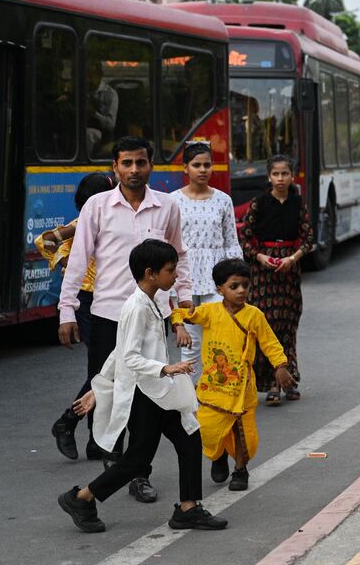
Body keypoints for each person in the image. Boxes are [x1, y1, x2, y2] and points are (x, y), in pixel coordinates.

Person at [55, 137, 194, 504]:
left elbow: (178, 255)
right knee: (113, 392)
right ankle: (114, 463)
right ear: (114, 167)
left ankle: (137, 473)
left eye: (141, 163)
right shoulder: (97, 207)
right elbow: (79, 259)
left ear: (151, 166)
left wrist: (183, 299)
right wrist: (67, 310)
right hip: (107, 315)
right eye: (127, 163)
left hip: (153, 317)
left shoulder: (166, 207)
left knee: (147, 395)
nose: (134, 170)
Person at [56, 239, 228, 534]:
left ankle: (188, 508)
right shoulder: (136, 307)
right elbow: (129, 356)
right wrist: (165, 367)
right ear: (150, 273)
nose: (175, 276)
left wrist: (99, 386)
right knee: (138, 459)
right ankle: (81, 497)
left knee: (189, 438)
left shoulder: (152, 301)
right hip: (145, 393)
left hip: (157, 391)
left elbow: (118, 350)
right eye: (170, 270)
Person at [172, 258, 294, 491]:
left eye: (245, 286)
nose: (241, 291)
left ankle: (240, 469)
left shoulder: (254, 315)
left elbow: (270, 343)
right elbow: (179, 313)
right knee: (207, 431)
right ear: (219, 289)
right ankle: (217, 455)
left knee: (243, 434)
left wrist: (280, 366)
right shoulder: (208, 312)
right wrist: (179, 327)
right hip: (213, 389)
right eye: (234, 286)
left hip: (242, 389)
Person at [45, 172, 118, 461]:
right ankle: (69, 422)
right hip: (87, 302)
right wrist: (65, 263)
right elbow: (46, 241)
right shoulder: (83, 222)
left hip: (110, 298)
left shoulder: (111, 219)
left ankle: (92, 438)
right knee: (104, 371)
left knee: (104, 370)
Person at [240, 154, 314, 405]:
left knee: (288, 328)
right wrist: (260, 257)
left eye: (285, 174)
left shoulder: (298, 203)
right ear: (269, 176)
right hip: (263, 274)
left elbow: (308, 239)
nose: (280, 178)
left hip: (289, 274)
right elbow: (245, 238)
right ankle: (273, 381)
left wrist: (292, 259)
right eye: (276, 174)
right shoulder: (259, 203)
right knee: (266, 328)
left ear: (292, 176)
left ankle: (289, 379)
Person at [171, 142, 242, 381]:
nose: (202, 170)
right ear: (185, 168)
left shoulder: (223, 200)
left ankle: (218, 392)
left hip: (217, 276)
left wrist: (236, 278)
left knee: (219, 337)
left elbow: (231, 241)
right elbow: (169, 243)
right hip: (185, 277)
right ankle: (188, 401)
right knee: (189, 343)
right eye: (196, 165)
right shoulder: (173, 201)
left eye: (207, 165)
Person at [85, 62, 119, 158]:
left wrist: (94, 113)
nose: (88, 80)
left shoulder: (110, 94)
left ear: (100, 75)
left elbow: (111, 124)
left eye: (91, 76)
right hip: (81, 130)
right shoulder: (82, 91)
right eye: (86, 77)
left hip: (103, 136)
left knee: (89, 134)